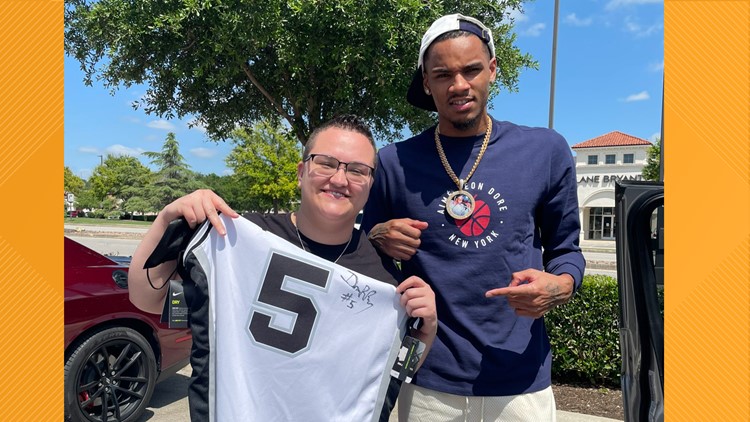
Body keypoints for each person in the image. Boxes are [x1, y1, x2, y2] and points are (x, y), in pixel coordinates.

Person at [128, 115, 437, 421]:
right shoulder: (235, 238)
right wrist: (169, 218)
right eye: (326, 163)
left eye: (357, 171)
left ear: (370, 185)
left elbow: (394, 372)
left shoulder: (384, 281)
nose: (340, 179)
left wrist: (425, 332)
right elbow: (145, 297)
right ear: (302, 172)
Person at [361, 14, 586, 421]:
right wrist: (376, 234)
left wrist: (561, 285)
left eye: (471, 70)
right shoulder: (394, 162)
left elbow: (566, 249)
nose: (459, 85)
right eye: (443, 74)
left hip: (520, 380)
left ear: (493, 70)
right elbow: (359, 256)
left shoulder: (545, 151)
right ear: (427, 83)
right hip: (428, 378)